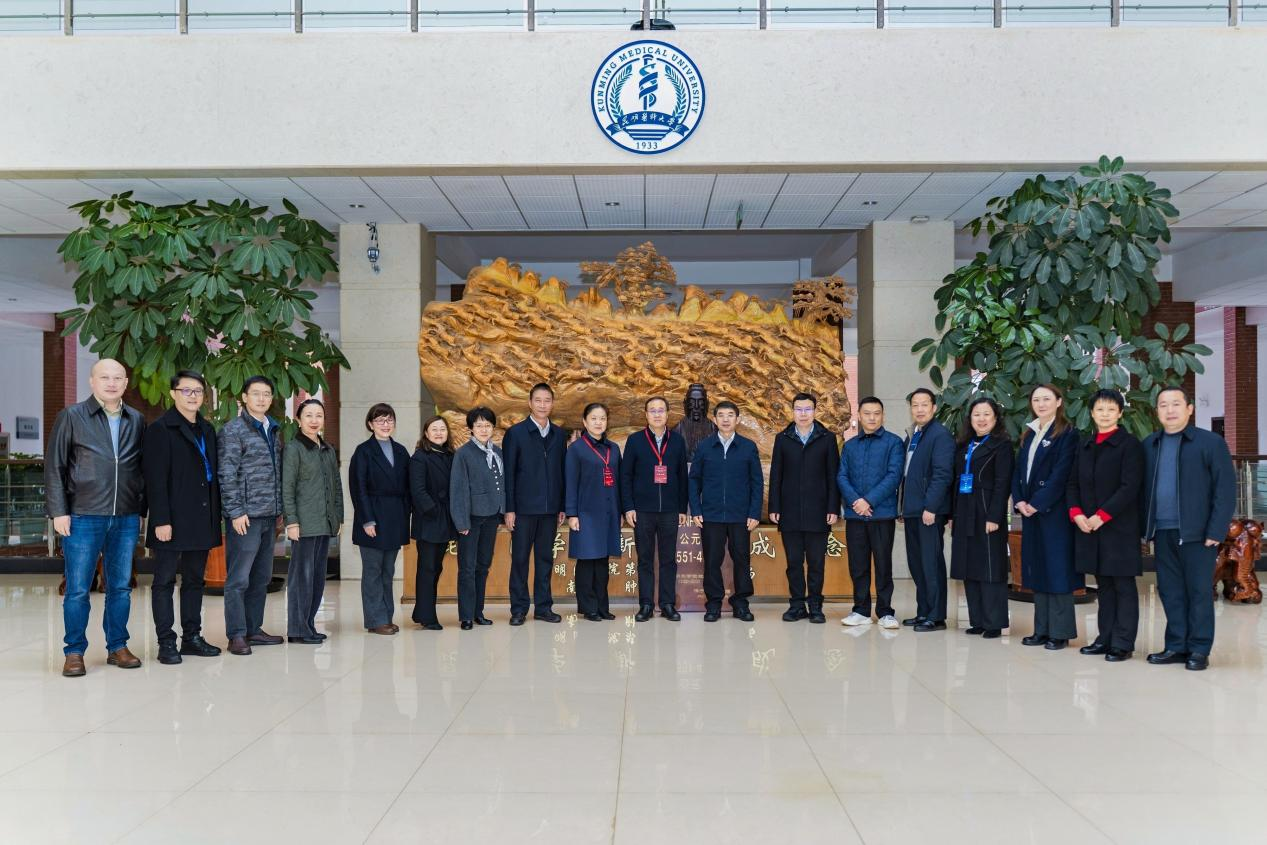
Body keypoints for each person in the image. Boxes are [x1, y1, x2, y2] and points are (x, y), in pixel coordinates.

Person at [45, 358, 146, 677]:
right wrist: (59, 511)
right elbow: (55, 466)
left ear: (126, 383)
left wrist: (141, 509)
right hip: (83, 515)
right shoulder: (72, 416)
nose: (111, 383)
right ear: (92, 381)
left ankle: (118, 646)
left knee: (120, 587)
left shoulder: (136, 419)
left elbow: (142, 468)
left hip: (125, 517)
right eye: (105, 377)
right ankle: (74, 652)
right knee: (77, 588)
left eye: (118, 378)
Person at [1140, 386, 1236, 671]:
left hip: (1198, 534)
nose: (1169, 410)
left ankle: (1199, 649)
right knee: (1170, 592)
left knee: (1198, 592)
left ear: (1189, 409)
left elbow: (1225, 490)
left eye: (1176, 404)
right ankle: (1176, 646)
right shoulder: (1150, 444)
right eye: (1163, 405)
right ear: (1157, 411)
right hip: (1162, 531)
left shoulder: (1210, 443)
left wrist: (1216, 531)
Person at [142, 370, 222, 665]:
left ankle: (192, 638)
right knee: (164, 581)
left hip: (200, 518)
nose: (192, 396)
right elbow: (154, 479)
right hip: (171, 521)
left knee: (194, 581)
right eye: (186, 390)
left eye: (198, 391)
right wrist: (161, 520)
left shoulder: (207, 429)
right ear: (173, 393)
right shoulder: (160, 429)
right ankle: (166, 642)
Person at [1068, 389, 1144, 662]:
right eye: (1100, 409)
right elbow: (1072, 483)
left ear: (1120, 413)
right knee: (1104, 585)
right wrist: (1077, 514)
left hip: (1118, 528)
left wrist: (1102, 515)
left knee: (1122, 585)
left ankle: (1123, 643)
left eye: (1111, 409)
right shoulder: (1085, 445)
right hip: (1089, 527)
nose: (1105, 414)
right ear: (1091, 413)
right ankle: (1105, 638)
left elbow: (1130, 486)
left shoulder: (1130, 445)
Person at [218, 375, 285, 656]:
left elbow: (277, 473)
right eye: (255, 393)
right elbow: (227, 473)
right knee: (239, 579)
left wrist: (280, 510)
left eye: (266, 394)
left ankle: (253, 629)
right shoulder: (233, 430)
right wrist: (235, 511)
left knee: (261, 577)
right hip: (245, 517)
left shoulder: (273, 429)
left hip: (269, 515)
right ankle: (236, 634)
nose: (261, 398)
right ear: (244, 398)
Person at [1012, 384, 1081, 651]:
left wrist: (1037, 503)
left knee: (1058, 570)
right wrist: (1019, 500)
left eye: (1047, 399)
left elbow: (1061, 475)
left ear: (1059, 402)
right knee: (1037, 569)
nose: (1041, 404)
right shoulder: (1030, 433)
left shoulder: (1068, 434)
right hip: (1030, 511)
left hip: (1054, 513)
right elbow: (1019, 471)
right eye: (1036, 400)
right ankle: (1041, 629)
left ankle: (1060, 632)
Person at [768, 392, 840, 624]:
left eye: (808, 409)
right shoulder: (783, 438)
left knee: (817, 563)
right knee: (794, 563)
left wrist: (833, 507)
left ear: (815, 411)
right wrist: (774, 506)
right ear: (792, 411)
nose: (803, 414)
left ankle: (816, 606)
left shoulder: (827, 438)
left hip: (819, 512)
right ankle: (797, 605)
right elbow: (776, 475)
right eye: (798, 409)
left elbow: (833, 476)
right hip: (789, 512)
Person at [688, 400, 763, 622]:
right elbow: (694, 480)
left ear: (737, 419)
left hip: (740, 516)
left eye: (730, 415)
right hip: (711, 515)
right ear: (714, 419)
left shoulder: (748, 447)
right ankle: (713, 604)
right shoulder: (705, 446)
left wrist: (754, 513)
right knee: (712, 561)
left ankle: (741, 603)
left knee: (741, 560)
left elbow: (757, 482)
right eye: (721, 415)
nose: (726, 419)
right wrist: (696, 509)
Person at [502, 383, 567, 626]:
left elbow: (562, 473)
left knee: (545, 560)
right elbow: (509, 474)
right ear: (530, 403)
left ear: (552, 404)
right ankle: (518, 609)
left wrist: (561, 505)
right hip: (523, 510)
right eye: (538, 400)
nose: (542, 405)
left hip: (549, 510)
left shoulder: (559, 434)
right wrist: (509, 509)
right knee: (520, 559)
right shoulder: (516, 433)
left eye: (547, 400)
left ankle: (543, 607)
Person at [620, 396, 689, 622]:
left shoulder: (677, 441)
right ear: (646, 414)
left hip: (670, 511)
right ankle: (646, 604)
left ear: (668, 414)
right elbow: (626, 476)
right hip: (642, 511)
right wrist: (628, 507)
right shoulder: (635, 441)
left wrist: (681, 508)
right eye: (653, 410)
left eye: (661, 410)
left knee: (668, 559)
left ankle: (667, 604)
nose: (657, 414)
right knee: (645, 560)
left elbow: (682, 477)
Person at [950, 395, 1014, 639]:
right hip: (964, 511)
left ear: (995, 418)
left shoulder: (1002, 446)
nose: (981, 419)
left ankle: (994, 622)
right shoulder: (964, 446)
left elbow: (1002, 483)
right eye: (977, 414)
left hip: (987, 512)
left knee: (990, 567)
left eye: (987, 414)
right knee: (969, 567)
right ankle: (977, 620)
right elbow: (955, 482)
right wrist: (953, 514)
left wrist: (995, 516)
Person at [837, 396, 904, 629]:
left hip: (882, 515)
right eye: (867, 413)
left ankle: (885, 612)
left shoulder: (894, 443)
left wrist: (868, 500)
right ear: (859, 415)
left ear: (883, 415)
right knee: (858, 565)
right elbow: (841, 476)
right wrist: (856, 501)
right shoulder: (850, 446)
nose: (872, 418)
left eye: (877, 413)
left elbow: (894, 476)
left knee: (883, 564)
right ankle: (861, 610)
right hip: (855, 515)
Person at [281, 398, 343, 644]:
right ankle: (297, 630)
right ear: (298, 419)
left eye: (319, 415)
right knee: (302, 577)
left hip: (324, 523)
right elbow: (287, 488)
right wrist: (292, 522)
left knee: (317, 576)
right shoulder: (294, 448)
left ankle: (308, 625)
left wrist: (338, 517)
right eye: (308, 415)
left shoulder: (327, 449)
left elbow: (336, 486)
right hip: (304, 524)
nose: (314, 420)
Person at [350, 403, 411, 635]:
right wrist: (367, 520)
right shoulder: (363, 451)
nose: (385, 424)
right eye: (380, 420)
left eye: (389, 420)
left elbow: (408, 487)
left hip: (395, 517)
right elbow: (359, 489)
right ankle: (376, 620)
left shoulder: (401, 451)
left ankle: (386, 616)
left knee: (388, 571)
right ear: (370, 424)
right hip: (372, 517)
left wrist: (406, 515)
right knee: (373, 571)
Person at [899, 388, 955, 632]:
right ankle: (923, 611)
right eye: (915, 405)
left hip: (928, 511)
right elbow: (906, 475)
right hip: (912, 510)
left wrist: (931, 507)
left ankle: (936, 615)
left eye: (924, 404)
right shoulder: (914, 435)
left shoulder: (940, 435)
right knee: (917, 564)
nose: (919, 409)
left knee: (931, 563)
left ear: (934, 408)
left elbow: (942, 474)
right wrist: (903, 507)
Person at [566, 403, 624, 622]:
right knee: (587, 559)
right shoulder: (576, 449)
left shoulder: (613, 449)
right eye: (594, 418)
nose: (599, 423)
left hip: (609, 511)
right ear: (584, 422)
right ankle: (588, 607)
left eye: (602, 418)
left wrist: (620, 511)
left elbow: (619, 482)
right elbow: (570, 482)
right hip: (585, 512)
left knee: (602, 561)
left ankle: (602, 606)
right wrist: (572, 514)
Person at [449, 407, 505, 630]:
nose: (484, 429)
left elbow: (502, 484)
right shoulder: (463, 454)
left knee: (483, 566)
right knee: (467, 568)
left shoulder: (497, 451)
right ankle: (466, 616)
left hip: (491, 517)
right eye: (479, 425)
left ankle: (478, 612)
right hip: (470, 520)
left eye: (488, 425)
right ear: (471, 428)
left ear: (493, 428)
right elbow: (458, 490)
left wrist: (503, 511)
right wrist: (461, 522)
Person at [409, 416, 457, 630]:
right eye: (434, 429)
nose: (439, 433)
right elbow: (418, 490)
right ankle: (427, 617)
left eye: (442, 429)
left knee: (436, 567)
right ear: (426, 433)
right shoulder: (420, 457)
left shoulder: (450, 455)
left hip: (445, 519)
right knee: (427, 568)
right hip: (429, 520)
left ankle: (421, 611)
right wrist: (434, 510)